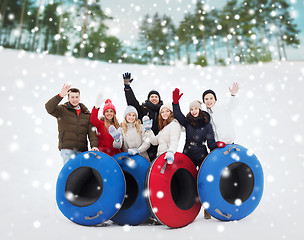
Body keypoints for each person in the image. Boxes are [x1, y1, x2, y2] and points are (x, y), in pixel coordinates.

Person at [45, 84, 98, 164]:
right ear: (68, 98)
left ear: (79, 97)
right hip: (67, 149)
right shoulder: (62, 110)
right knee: (70, 172)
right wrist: (60, 96)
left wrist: (94, 146)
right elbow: (49, 108)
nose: (75, 99)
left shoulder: (86, 114)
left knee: (81, 174)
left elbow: (92, 133)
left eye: (76, 97)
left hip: (82, 150)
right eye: (72, 97)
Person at [172, 88, 218, 168]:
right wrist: (175, 103)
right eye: (191, 109)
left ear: (200, 109)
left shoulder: (206, 124)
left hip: (201, 154)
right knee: (186, 174)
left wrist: (217, 145)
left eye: (196, 109)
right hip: (188, 152)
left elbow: (211, 143)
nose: (194, 111)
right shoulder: (188, 121)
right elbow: (178, 115)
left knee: (202, 174)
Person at [123, 72, 163, 160]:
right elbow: (132, 102)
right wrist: (127, 87)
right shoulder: (143, 109)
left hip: (159, 145)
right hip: (145, 145)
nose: (154, 98)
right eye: (151, 96)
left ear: (159, 99)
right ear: (148, 99)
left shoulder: (162, 111)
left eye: (156, 96)